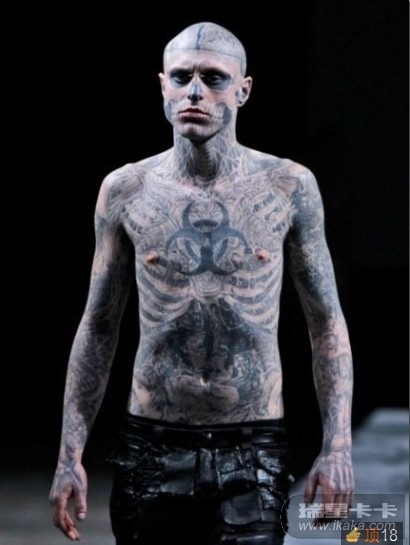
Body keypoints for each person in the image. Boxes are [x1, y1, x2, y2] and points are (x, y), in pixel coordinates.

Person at [49, 21, 354, 545]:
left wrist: (339, 447)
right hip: (151, 444)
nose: (194, 92)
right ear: (162, 86)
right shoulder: (126, 190)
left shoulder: (288, 186)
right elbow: (98, 326)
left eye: (213, 78)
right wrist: (68, 454)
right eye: (181, 77)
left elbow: (325, 321)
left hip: (252, 446)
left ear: (243, 90)